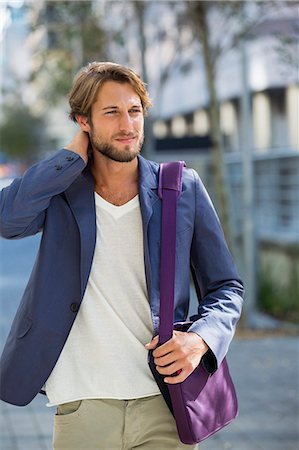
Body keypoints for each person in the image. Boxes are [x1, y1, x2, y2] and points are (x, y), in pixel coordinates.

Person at [0, 61, 244, 450]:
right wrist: (69, 158)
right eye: (111, 112)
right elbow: (8, 220)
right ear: (83, 121)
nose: (127, 124)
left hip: (165, 402)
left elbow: (226, 285)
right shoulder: (61, 192)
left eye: (134, 110)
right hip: (83, 402)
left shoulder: (180, 188)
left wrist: (201, 340)